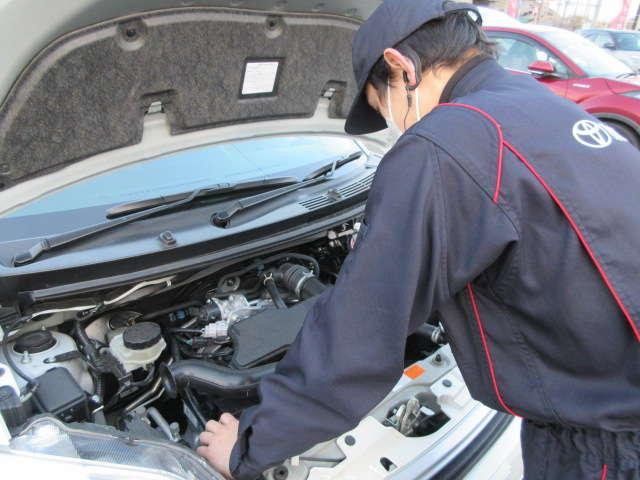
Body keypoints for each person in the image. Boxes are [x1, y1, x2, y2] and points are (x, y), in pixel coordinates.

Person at [196, 1, 640, 479]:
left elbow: (358, 337)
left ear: (400, 67)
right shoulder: (532, 103)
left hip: (606, 446)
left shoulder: (443, 144)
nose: (397, 124)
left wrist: (252, 444)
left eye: (381, 104)